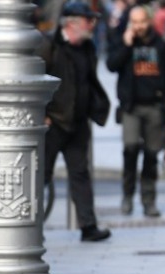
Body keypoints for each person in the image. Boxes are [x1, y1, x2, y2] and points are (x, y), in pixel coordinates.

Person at [36, 1, 112, 242]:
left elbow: (89, 80)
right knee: (41, 176)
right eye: (88, 20)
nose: (93, 24)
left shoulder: (88, 47)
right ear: (72, 23)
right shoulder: (49, 45)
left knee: (80, 174)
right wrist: (42, 114)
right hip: (53, 122)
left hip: (78, 122)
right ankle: (32, 227)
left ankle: (88, 226)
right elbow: (36, 82)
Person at [107, 5, 165, 217]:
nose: (138, 26)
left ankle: (149, 200)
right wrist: (126, 45)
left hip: (155, 106)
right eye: (134, 22)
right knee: (130, 149)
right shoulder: (124, 42)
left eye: (142, 22)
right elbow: (112, 65)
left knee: (151, 155)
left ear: (149, 21)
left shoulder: (161, 46)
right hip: (131, 106)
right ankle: (127, 196)